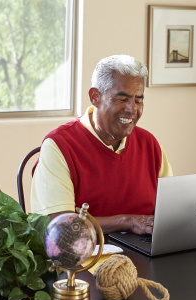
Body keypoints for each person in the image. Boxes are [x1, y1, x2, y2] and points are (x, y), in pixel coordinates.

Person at [30, 55, 172, 234]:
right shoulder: (59, 145)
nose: (132, 109)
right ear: (95, 97)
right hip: (86, 257)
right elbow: (59, 226)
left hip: (145, 254)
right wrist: (127, 221)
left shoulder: (149, 144)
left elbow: (171, 208)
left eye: (138, 100)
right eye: (122, 99)